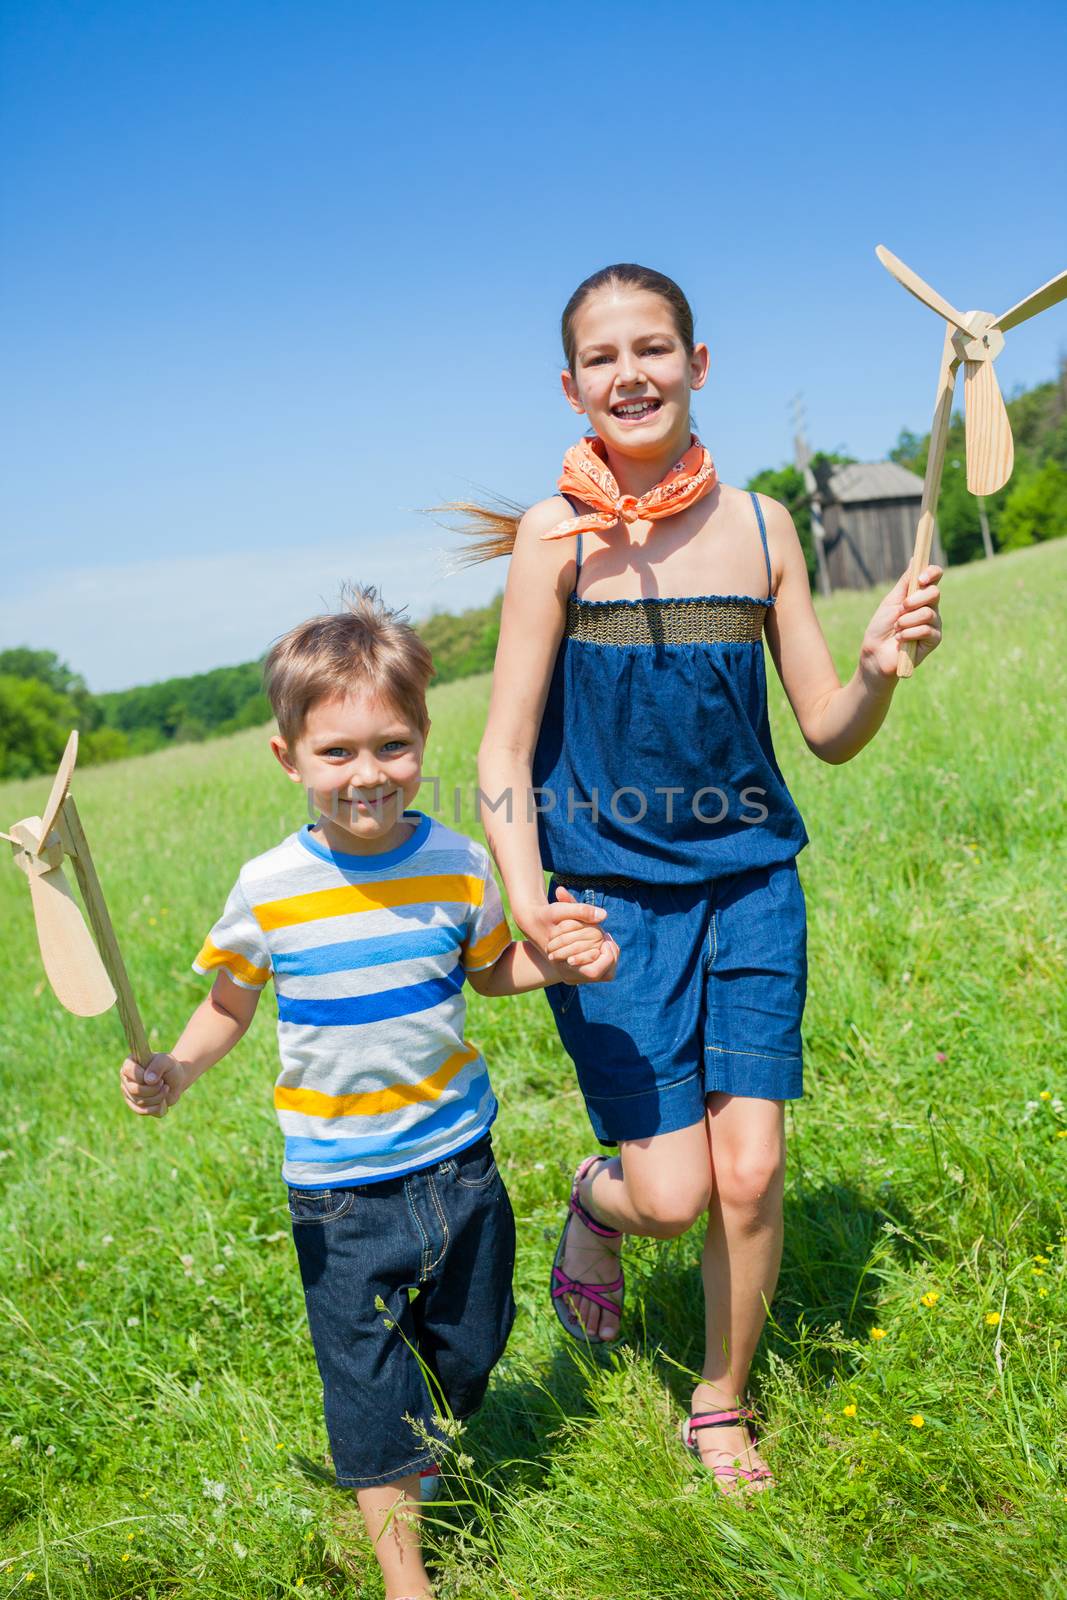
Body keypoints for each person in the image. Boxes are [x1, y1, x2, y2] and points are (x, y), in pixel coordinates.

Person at [464, 262, 942, 1492]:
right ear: (570, 386)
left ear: (697, 364)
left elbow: (827, 729)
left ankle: (717, 1403)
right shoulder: (552, 538)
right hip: (610, 907)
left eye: (654, 347)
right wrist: (528, 895)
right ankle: (596, 1195)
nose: (631, 373)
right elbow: (502, 749)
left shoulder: (763, 525)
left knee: (752, 1169)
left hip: (749, 886)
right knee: (671, 1197)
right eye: (604, 356)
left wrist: (879, 664)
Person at [118, 586, 615, 1600]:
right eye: (336, 753)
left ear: (423, 739)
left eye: (390, 746)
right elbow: (229, 1005)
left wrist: (555, 963)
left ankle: (423, 1441)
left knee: (469, 1350)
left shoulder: (454, 863)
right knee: (366, 1387)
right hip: (340, 1189)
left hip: (458, 1166)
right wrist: (175, 1066)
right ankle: (405, 1573)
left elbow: (487, 970)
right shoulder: (268, 886)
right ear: (287, 758)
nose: (366, 775)